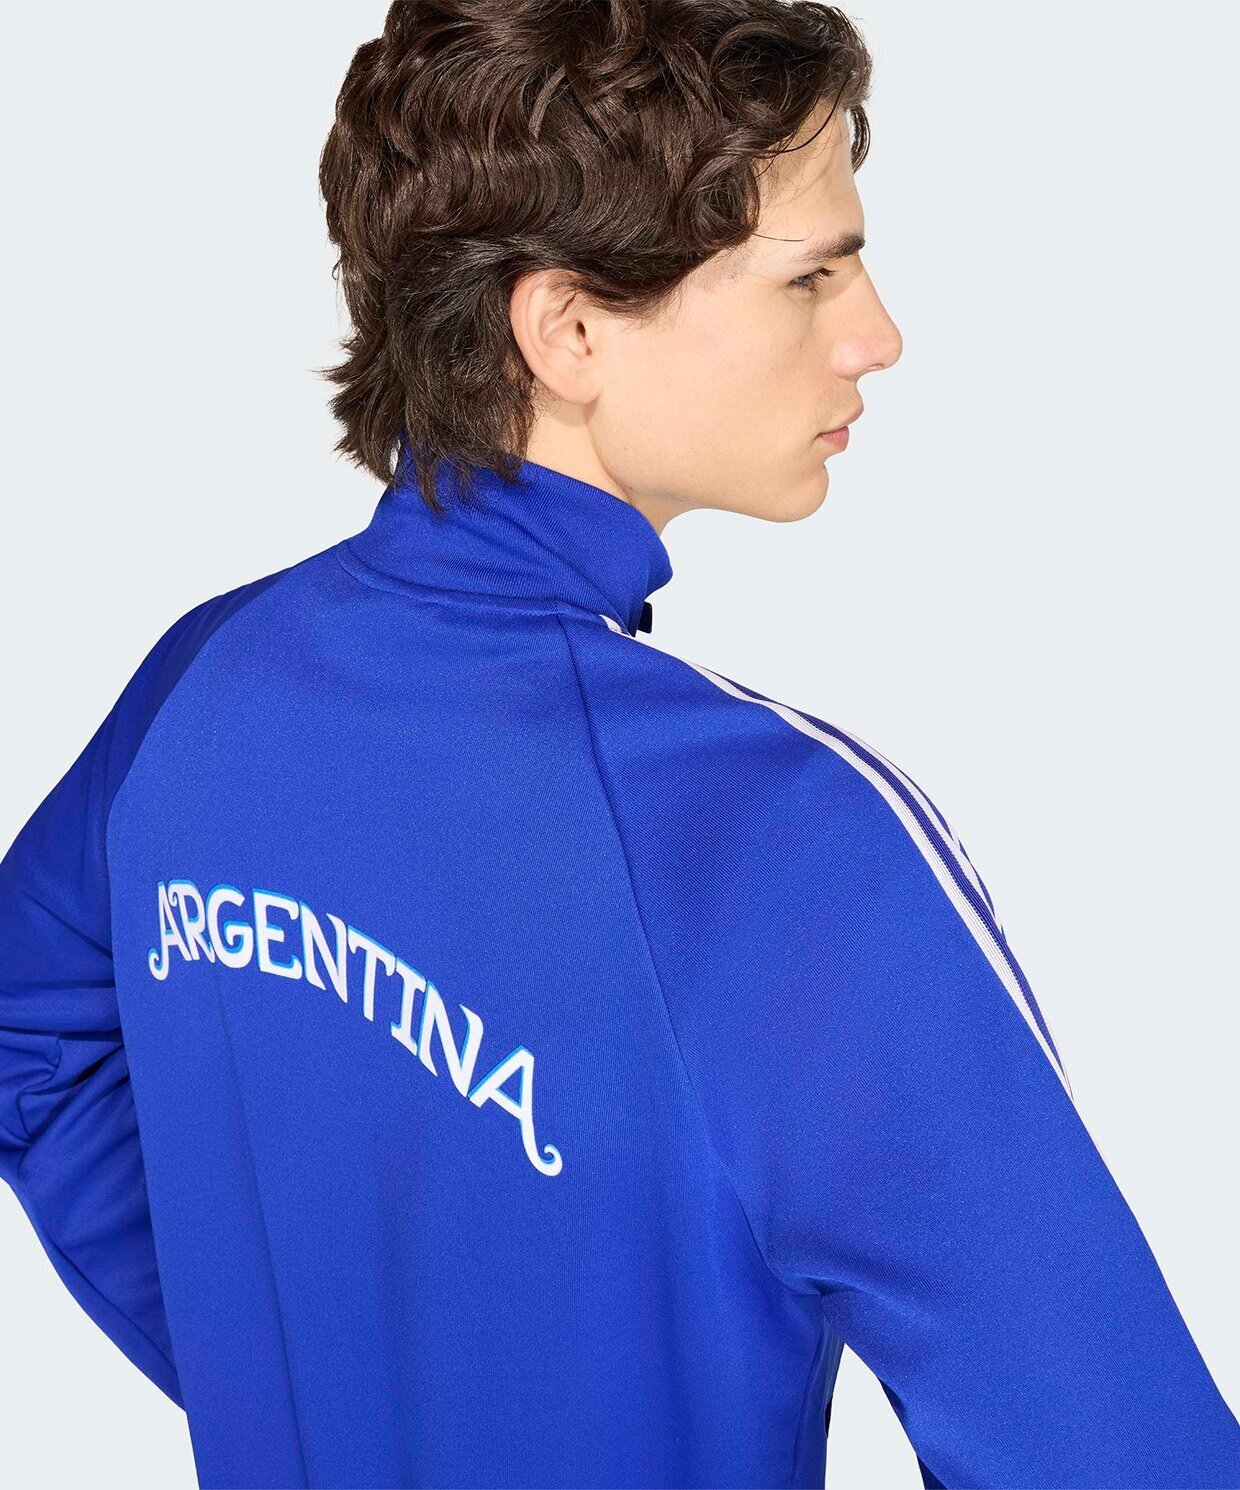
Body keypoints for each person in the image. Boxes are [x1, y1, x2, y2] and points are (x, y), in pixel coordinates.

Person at [2, 2, 1237, 1486]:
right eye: (812, 274)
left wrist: (307, 1382)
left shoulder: (202, 687)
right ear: (569, 329)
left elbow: (28, 1036)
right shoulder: (776, 842)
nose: (877, 334)